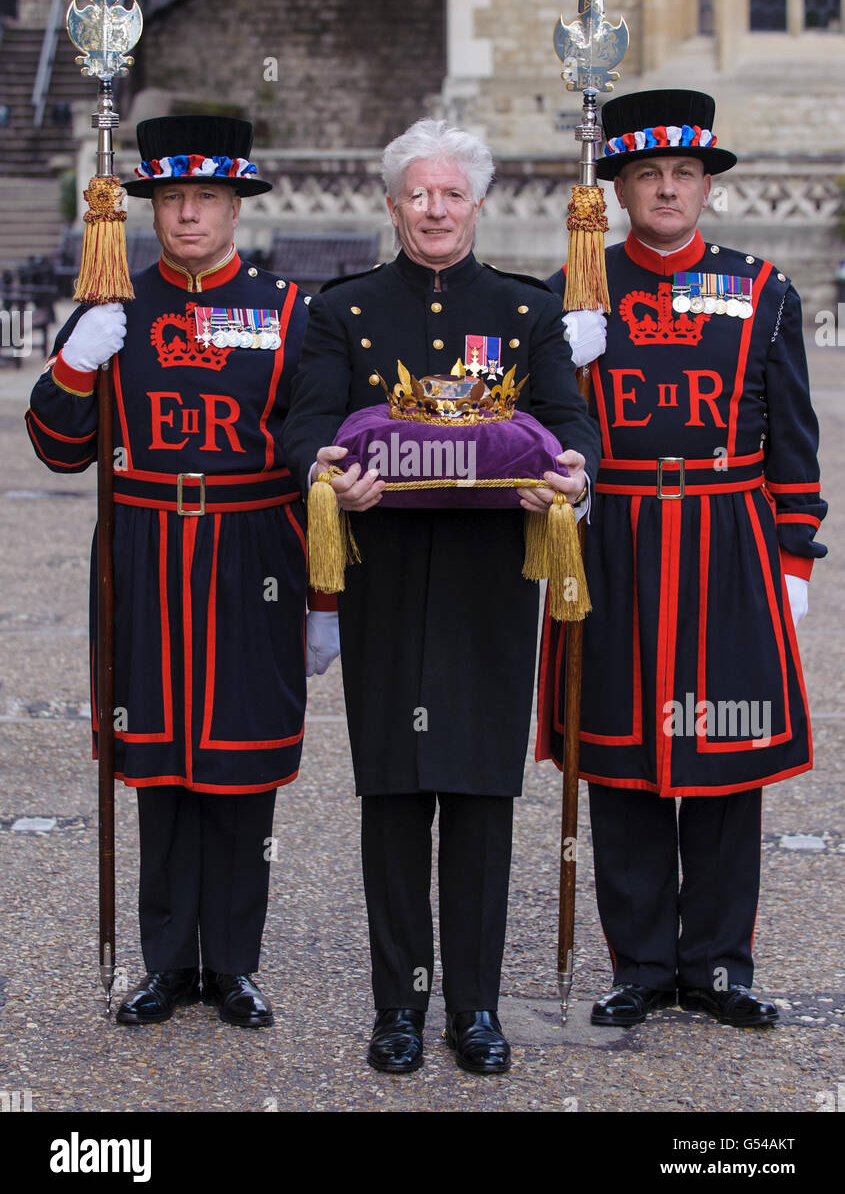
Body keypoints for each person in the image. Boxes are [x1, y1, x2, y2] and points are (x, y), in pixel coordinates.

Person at [283, 117, 600, 1073]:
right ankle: (397, 1011)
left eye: (450, 194)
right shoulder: (342, 310)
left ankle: (474, 1011)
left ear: (477, 203)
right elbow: (305, 425)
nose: (433, 209)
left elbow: (566, 420)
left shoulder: (524, 310)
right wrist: (328, 474)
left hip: (488, 582)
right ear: (391, 206)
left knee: (478, 799)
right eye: (417, 194)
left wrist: (574, 475)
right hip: (383, 574)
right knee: (390, 798)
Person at [27, 114, 339, 1028]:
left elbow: (315, 461)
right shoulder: (112, 306)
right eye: (171, 198)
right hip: (146, 550)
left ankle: (233, 964)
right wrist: (74, 365)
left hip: (254, 552)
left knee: (240, 768)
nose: (189, 214)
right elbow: (56, 450)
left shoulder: (290, 311)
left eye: (207, 197)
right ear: (151, 208)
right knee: (160, 767)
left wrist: (324, 597)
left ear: (237, 205)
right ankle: (165, 963)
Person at [538, 89, 826, 1028]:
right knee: (618, 761)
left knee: (722, 756)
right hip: (612, 535)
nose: (666, 189)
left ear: (706, 186)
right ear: (617, 188)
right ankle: (642, 966)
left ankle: (718, 966)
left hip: (725, 538)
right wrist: (553, 362)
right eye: (646, 174)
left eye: (683, 174)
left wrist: (794, 555)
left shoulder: (761, 286)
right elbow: (534, 432)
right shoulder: (574, 288)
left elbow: (793, 434)